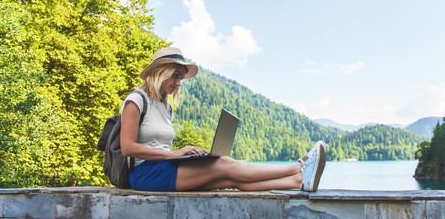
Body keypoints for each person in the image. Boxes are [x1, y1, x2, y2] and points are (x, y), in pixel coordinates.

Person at [120, 47, 326, 192]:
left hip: (165, 167)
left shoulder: (165, 106)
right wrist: (173, 154)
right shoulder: (136, 100)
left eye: (181, 78)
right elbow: (127, 148)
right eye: (175, 75)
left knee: (229, 178)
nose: (178, 83)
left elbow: (160, 146)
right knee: (226, 163)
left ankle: (298, 181)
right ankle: (296, 167)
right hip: (145, 173)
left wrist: (184, 153)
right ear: (159, 72)